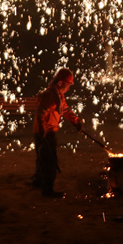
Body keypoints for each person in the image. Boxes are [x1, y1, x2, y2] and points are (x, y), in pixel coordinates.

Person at [32, 68, 83, 197]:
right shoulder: (50, 96)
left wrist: (76, 121)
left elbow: (65, 110)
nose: (69, 88)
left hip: (45, 132)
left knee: (42, 158)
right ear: (60, 83)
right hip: (44, 133)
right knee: (49, 160)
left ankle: (38, 181)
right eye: (68, 85)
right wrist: (43, 134)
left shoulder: (58, 96)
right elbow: (40, 115)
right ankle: (47, 190)